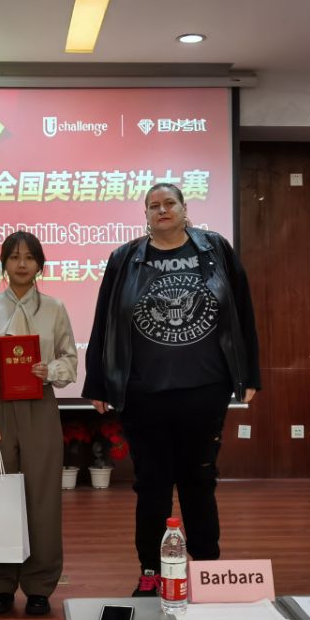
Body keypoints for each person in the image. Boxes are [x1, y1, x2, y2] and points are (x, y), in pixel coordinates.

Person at [82, 183, 260, 597]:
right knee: (152, 486)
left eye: (169, 204)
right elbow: (104, 322)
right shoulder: (125, 258)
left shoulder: (215, 249)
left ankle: (207, 570)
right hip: (143, 394)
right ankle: (151, 570)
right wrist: (98, 381)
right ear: (146, 214)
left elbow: (242, 314)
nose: (161, 210)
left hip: (205, 389)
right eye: (153, 206)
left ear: (184, 208)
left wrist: (250, 374)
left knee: (200, 481)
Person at [0, 230, 78, 616]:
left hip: (40, 405)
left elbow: (70, 361)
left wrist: (52, 370)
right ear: (3, 264)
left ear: (40, 265)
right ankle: (0, 584)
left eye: (29, 257)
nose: (21, 264)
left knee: (42, 497)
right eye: (14, 257)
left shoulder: (55, 308)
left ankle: (39, 586)